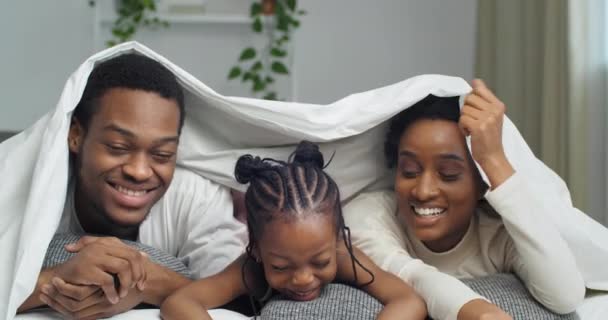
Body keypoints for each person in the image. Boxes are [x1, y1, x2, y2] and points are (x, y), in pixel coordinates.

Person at [17, 54, 247, 319]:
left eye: (161, 154)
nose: (139, 171)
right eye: (118, 147)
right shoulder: (24, 194)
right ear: (76, 135)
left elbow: (242, 304)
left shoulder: (197, 198)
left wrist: (144, 283)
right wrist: (53, 280)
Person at [343, 80, 586, 320]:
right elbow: (412, 276)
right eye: (409, 171)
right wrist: (480, 312)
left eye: (448, 174)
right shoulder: (368, 215)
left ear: (481, 184)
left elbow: (564, 296)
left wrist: (493, 161)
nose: (424, 191)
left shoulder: (501, 237)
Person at [160, 141, 428, 320]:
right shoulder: (252, 269)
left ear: (337, 239)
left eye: (320, 262)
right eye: (281, 267)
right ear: (256, 250)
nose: (302, 279)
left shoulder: (344, 256)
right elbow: (180, 303)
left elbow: (409, 301)